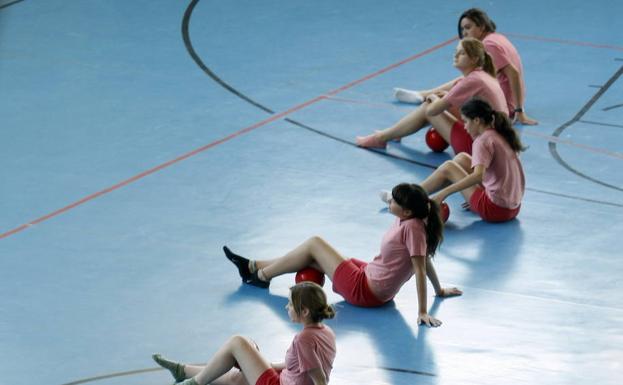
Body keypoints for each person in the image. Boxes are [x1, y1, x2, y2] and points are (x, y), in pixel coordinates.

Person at [224, 183, 462, 328]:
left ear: (407, 210)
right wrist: (439, 290)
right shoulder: (411, 219)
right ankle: (253, 266)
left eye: (394, 201)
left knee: (314, 244)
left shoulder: (413, 228)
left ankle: (261, 276)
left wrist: (422, 311)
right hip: (370, 274)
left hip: (367, 291)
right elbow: (424, 258)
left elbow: (420, 267)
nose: (390, 201)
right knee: (314, 256)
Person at [152, 282, 336, 385]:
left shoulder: (303, 339)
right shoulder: (326, 332)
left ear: (304, 311)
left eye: (290, 304)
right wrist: (268, 365)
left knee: (238, 342)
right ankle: (182, 371)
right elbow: (300, 369)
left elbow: (319, 380)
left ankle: (193, 384)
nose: (286, 307)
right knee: (237, 378)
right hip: (284, 379)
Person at [356, 37, 507, 155]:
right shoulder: (482, 76)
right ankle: (396, 132)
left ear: (474, 59)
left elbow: (431, 111)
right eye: (456, 51)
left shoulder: (472, 80)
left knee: (428, 106)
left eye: (461, 53)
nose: (456, 55)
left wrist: (434, 98)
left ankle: (382, 137)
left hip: (478, 150)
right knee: (442, 104)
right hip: (495, 145)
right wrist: (446, 97)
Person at [394, 8, 538, 125]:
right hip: (507, 101)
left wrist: (519, 111)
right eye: (462, 29)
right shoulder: (497, 37)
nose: (464, 33)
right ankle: (423, 94)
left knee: (444, 100)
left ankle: (423, 98)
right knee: (469, 78)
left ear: (481, 27)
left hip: (503, 109)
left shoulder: (488, 44)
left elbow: (514, 74)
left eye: (468, 27)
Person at [419, 98, 525, 222]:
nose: (464, 126)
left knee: (448, 167)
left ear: (476, 120)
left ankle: (411, 196)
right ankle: (416, 193)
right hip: (513, 208)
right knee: (461, 158)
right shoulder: (501, 133)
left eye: (465, 121)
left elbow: (478, 176)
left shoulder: (482, 141)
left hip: (495, 210)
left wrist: (443, 193)